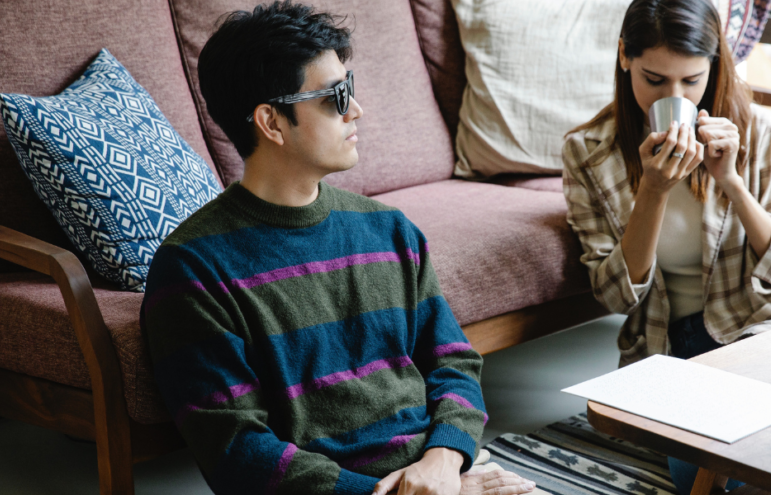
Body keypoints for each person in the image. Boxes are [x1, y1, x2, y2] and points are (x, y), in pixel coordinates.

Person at [140, 3, 536, 495]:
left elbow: (453, 362)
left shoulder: (390, 230)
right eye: (335, 96)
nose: (356, 109)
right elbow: (237, 451)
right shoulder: (193, 270)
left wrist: (443, 461)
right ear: (271, 122)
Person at [561, 0, 771, 491]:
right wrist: (651, 192)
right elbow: (614, 297)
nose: (673, 96)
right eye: (654, 79)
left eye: (691, 81)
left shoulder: (758, 128)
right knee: (715, 477)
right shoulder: (588, 153)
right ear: (624, 56)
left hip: (765, 322)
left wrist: (731, 181)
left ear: (713, 67)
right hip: (670, 348)